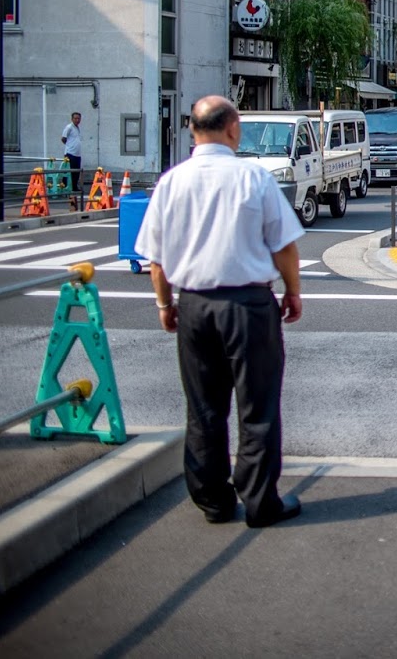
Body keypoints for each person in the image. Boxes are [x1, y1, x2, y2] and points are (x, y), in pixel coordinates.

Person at [135, 96, 305, 529]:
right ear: (232, 128)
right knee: (258, 406)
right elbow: (284, 244)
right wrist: (293, 293)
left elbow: (155, 259)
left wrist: (165, 304)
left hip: (193, 304)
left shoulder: (172, 182)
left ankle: (212, 499)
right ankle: (259, 500)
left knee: (204, 408)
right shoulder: (253, 178)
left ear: (193, 130)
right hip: (248, 304)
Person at [59, 111, 84, 188]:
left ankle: (74, 186)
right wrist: (69, 145)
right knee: (68, 171)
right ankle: (65, 186)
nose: (77, 120)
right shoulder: (69, 127)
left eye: (78, 118)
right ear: (72, 119)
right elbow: (63, 138)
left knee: (76, 171)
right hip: (70, 153)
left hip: (77, 153)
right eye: (75, 118)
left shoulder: (77, 128)